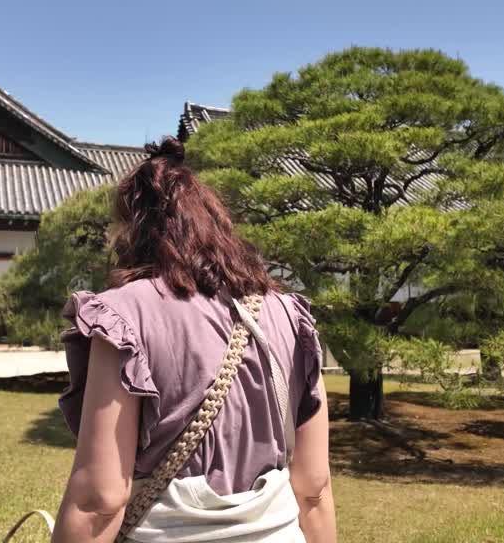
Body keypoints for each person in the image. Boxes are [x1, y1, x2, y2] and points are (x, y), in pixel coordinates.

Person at [52, 137, 337, 543]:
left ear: (135, 230)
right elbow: (313, 485)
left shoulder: (121, 317)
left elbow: (99, 499)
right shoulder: (291, 316)